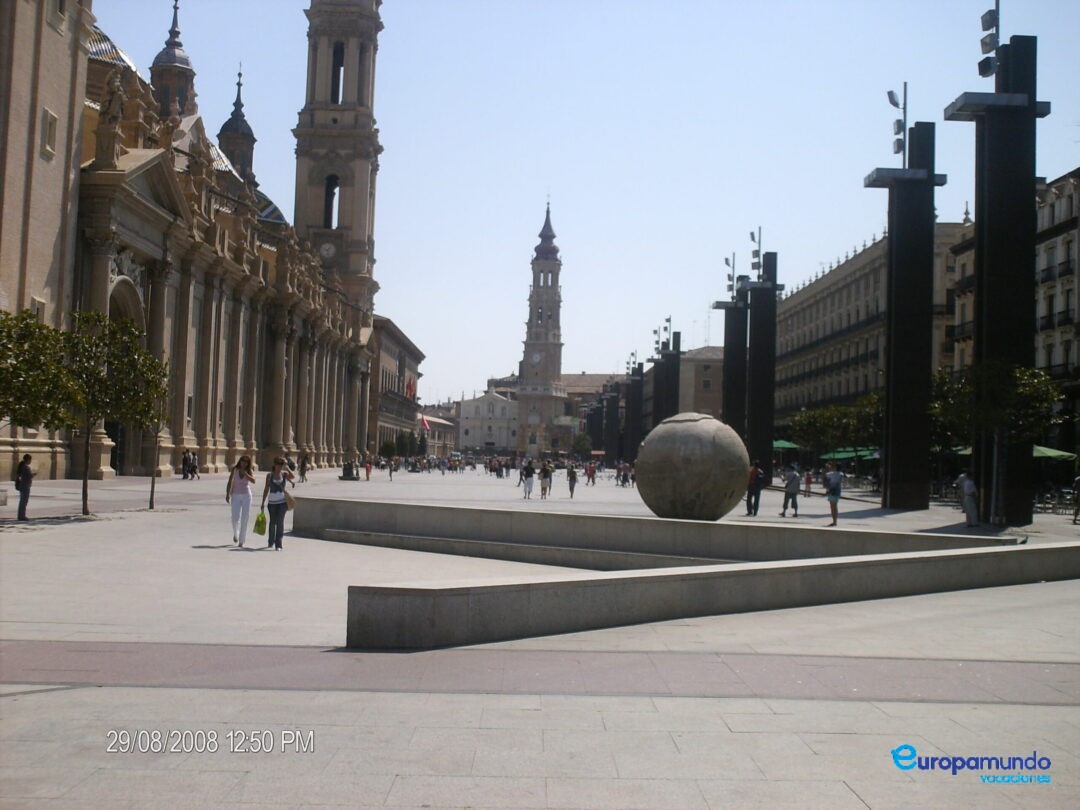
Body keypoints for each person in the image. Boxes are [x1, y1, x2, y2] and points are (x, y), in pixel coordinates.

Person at [260, 457, 294, 551]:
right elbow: (266, 489)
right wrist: (263, 502)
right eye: (277, 465)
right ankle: (271, 541)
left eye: (281, 465)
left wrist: (287, 467)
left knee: (280, 522)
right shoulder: (269, 475)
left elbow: (293, 476)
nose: (279, 467)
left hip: (282, 503)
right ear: (274, 465)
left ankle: (278, 544)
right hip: (272, 503)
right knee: (272, 522)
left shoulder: (284, 474)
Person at [225, 455, 256, 546]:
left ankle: (242, 540)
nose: (244, 463)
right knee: (235, 517)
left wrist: (246, 474)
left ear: (248, 463)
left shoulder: (249, 471)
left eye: (246, 462)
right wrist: (227, 493)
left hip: (247, 495)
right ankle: (236, 533)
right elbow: (230, 481)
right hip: (235, 495)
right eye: (243, 461)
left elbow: (254, 481)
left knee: (245, 518)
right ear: (240, 461)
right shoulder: (235, 470)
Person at [15, 454, 35, 521]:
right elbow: (29, 476)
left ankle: (20, 515)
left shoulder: (22, 466)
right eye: (30, 460)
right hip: (25, 486)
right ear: (28, 460)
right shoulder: (26, 467)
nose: (30, 461)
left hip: (22, 485)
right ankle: (22, 516)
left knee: (22, 501)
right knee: (24, 502)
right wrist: (33, 474)